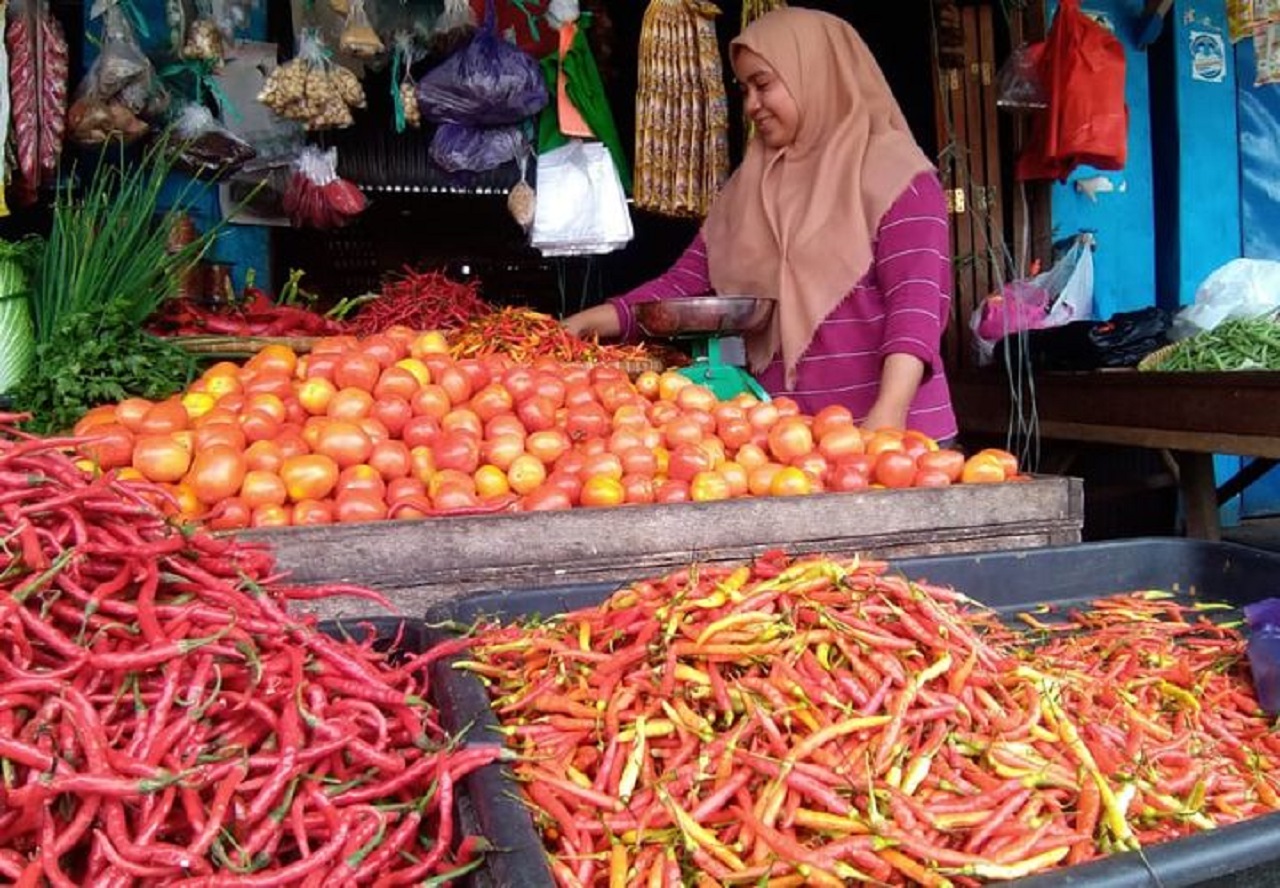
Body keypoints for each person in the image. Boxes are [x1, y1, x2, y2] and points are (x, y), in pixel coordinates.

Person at [563, 7, 957, 442]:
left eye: (764, 84)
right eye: (744, 88)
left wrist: (888, 417)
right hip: (784, 444)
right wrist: (588, 322)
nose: (751, 105)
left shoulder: (900, 178)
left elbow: (915, 308)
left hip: (896, 441)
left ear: (816, 74)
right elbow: (685, 284)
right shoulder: (746, 188)